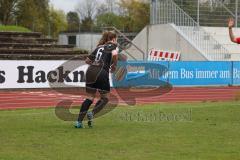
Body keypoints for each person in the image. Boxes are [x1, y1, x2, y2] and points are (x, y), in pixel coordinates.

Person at [75, 31, 118, 128]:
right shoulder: (113, 46)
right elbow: (115, 55)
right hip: (102, 72)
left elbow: (87, 60)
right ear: (113, 38)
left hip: (90, 71)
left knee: (90, 97)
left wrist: (96, 65)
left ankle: (79, 122)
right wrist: (114, 65)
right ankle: (92, 113)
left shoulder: (99, 47)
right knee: (105, 98)